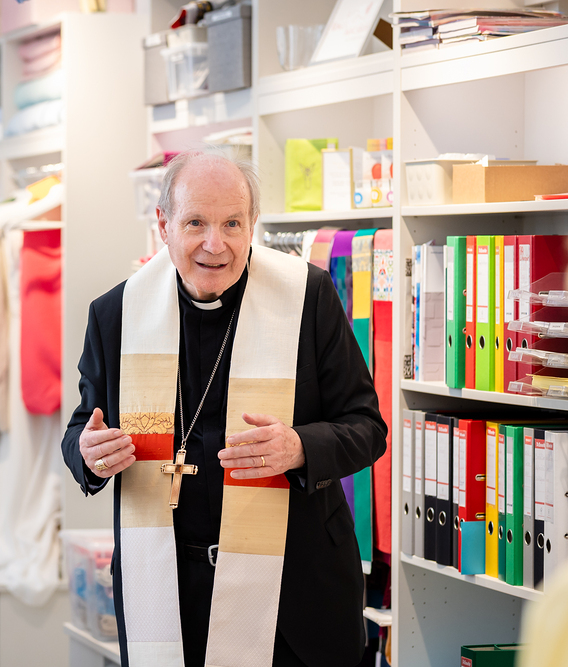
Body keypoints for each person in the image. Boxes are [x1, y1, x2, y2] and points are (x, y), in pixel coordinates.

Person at [61, 151, 387, 667]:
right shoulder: (117, 313)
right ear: (164, 225)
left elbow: (366, 426)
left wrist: (300, 447)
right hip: (171, 592)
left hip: (295, 596)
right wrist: (89, 452)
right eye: (196, 223)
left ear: (252, 224)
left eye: (232, 223)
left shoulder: (307, 296)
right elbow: (84, 427)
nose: (215, 245)